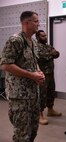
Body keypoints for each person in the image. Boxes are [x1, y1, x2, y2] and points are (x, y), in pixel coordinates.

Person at [0, 11, 45, 142]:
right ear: (26, 23)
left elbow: (34, 62)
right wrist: (32, 75)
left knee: (32, 131)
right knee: (22, 135)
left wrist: (39, 71)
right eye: (36, 21)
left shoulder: (33, 42)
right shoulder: (15, 40)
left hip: (33, 94)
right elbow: (5, 65)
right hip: (19, 97)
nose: (38, 24)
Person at [35, 30, 62, 125]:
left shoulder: (48, 46)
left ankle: (50, 110)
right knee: (42, 94)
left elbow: (57, 54)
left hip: (51, 73)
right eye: (43, 36)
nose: (45, 37)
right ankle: (40, 114)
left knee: (51, 91)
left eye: (45, 35)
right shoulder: (36, 47)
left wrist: (51, 54)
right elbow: (41, 57)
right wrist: (51, 54)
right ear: (38, 37)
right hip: (42, 74)